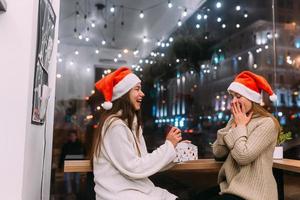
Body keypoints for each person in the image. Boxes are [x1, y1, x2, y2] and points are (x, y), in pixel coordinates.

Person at [91, 66, 183, 200]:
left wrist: (175, 148)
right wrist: (168, 146)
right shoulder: (115, 126)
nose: (142, 93)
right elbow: (134, 168)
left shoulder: (131, 125)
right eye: (137, 89)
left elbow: (144, 164)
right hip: (119, 194)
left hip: (134, 190)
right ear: (124, 93)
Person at [212, 71, 281, 200]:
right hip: (231, 187)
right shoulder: (236, 120)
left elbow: (243, 157)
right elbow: (218, 153)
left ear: (252, 98)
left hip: (255, 194)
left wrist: (240, 127)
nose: (233, 101)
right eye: (232, 96)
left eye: (238, 96)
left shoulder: (266, 123)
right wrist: (232, 127)